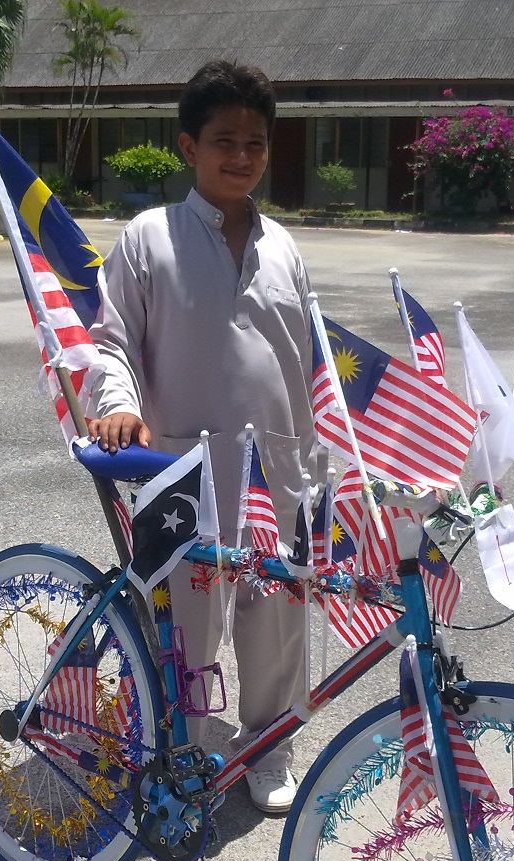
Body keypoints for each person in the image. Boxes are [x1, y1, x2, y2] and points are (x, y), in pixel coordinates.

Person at [87, 60, 321, 814]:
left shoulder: (285, 247)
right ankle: (178, 747)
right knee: (184, 625)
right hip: (181, 469)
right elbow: (110, 341)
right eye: (225, 140)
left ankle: (267, 748)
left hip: (277, 470)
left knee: (277, 618)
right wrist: (119, 404)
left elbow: (308, 362)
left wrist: (319, 468)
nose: (242, 156)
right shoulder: (147, 240)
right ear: (189, 147)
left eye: (256, 142)